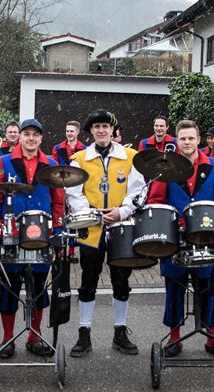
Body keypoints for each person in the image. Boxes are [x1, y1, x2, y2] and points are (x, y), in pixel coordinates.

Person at [147, 120, 214, 358]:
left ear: (199, 140)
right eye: (183, 139)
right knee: (174, 289)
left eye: (191, 138)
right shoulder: (165, 168)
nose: (187, 142)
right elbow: (155, 202)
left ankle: (212, 339)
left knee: (206, 289)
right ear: (177, 141)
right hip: (175, 239)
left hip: (207, 237)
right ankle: (174, 339)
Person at [66, 109, 145, 357]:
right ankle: (84, 333)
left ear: (113, 131)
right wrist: (93, 213)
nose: (102, 131)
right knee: (88, 281)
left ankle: (120, 332)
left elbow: (139, 191)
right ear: (90, 131)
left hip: (121, 227)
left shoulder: (131, 156)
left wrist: (121, 212)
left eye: (106, 127)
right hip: (91, 228)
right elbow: (72, 193)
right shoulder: (79, 158)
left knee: (121, 281)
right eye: (97, 127)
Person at [0, 119, 64, 358]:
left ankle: (34, 337)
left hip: (42, 236)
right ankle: (8, 339)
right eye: (26, 134)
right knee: (8, 289)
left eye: (35, 135)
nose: (31, 139)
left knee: (39, 290)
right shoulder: (4, 162)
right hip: (11, 235)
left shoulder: (51, 164)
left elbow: (58, 200)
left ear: (41, 138)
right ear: (19, 137)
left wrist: (58, 231)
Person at [51, 120, 86, 264]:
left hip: (77, 187)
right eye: (67, 131)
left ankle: (71, 250)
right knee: (61, 217)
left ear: (78, 132)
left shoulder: (84, 148)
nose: (69, 133)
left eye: (72, 131)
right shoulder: (57, 148)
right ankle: (61, 248)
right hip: (61, 186)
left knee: (73, 218)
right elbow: (54, 166)